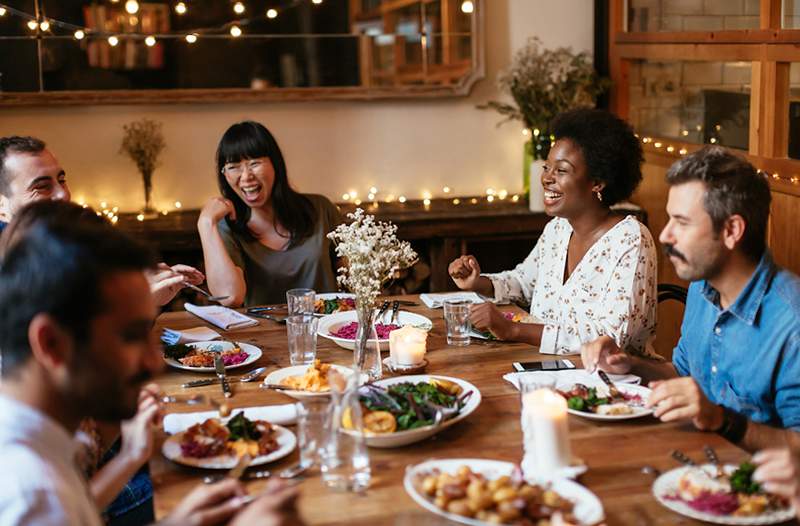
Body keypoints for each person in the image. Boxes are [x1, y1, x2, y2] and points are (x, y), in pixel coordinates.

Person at [0, 201, 302, 525]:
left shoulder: (43, 443)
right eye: (131, 335)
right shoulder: (32, 494)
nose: (154, 360)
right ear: (52, 344)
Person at [582, 146, 800, 452]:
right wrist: (626, 362)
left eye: (682, 222)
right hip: (693, 468)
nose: (665, 235)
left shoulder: (792, 322)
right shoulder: (702, 287)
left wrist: (721, 419)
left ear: (731, 230)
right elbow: (682, 374)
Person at [448, 108, 660, 357]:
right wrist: (478, 282)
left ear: (598, 182)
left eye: (561, 170)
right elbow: (525, 282)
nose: (547, 179)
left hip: (610, 382)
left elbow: (611, 337)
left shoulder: (630, 239)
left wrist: (514, 330)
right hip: (545, 368)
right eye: (547, 168)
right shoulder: (558, 229)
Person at [0, 135, 205, 306]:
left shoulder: (68, 243)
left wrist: (150, 291)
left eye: (61, 181)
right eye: (42, 186)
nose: (63, 195)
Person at [198, 121, 342, 306]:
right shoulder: (226, 227)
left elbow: (355, 280)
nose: (246, 176)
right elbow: (231, 297)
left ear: (275, 164)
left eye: (254, 163)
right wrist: (206, 223)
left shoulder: (321, 209)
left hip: (326, 329)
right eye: (234, 167)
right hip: (262, 333)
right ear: (224, 175)